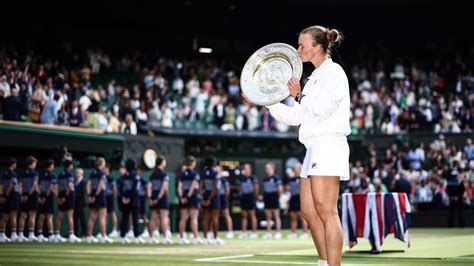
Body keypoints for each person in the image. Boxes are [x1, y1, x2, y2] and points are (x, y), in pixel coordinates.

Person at [263, 25, 350, 266]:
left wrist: (298, 95)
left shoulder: (334, 73)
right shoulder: (311, 79)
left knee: (327, 212)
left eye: (302, 45)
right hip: (313, 147)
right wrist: (267, 102)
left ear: (317, 47)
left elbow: (323, 109)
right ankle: (323, 262)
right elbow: (295, 118)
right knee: (309, 212)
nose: (298, 49)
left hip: (329, 144)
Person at [86, 157, 113, 243]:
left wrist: (90, 195)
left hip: (93, 197)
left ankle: (89, 236)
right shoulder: (102, 173)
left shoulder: (92, 173)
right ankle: (104, 237)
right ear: (102, 164)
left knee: (92, 217)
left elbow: (88, 185)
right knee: (102, 218)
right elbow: (101, 186)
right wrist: (95, 195)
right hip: (100, 197)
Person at [177, 156, 202, 244]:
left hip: (183, 197)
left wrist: (182, 197)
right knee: (194, 218)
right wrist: (188, 197)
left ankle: (181, 238)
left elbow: (179, 188)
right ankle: (195, 238)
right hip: (192, 197)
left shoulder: (182, 174)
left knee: (183, 218)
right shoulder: (195, 174)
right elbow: (193, 186)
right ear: (192, 163)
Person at [55, 159, 81, 242]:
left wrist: (59, 197)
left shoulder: (60, 175)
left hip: (62, 196)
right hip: (68, 197)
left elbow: (57, 187)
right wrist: (65, 197)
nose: (72, 166)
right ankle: (71, 235)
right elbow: (69, 186)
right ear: (69, 166)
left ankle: (57, 234)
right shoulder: (69, 174)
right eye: (72, 165)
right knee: (70, 216)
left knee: (59, 216)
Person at [118, 159, 144, 244]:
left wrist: (124, 197)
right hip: (134, 200)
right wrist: (129, 197)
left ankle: (122, 236)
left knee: (124, 218)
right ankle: (136, 237)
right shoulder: (136, 176)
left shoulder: (123, 176)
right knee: (135, 218)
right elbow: (135, 188)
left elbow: (121, 188)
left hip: (125, 200)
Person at [200, 156, 224, 245]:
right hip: (213, 198)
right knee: (215, 218)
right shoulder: (215, 173)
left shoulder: (202, 173)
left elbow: (200, 188)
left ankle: (205, 238)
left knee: (205, 218)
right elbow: (215, 187)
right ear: (213, 163)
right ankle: (215, 238)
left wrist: (203, 199)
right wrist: (210, 199)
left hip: (205, 197)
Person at [148, 155, 172, 244]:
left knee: (153, 218)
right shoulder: (164, 175)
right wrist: (158, 198)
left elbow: (149, 187)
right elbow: (164, 187)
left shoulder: (152, 174)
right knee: (164, 217)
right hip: (161, 198)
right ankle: (165, 238)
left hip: (154, 197)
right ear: (162, 162)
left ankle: (151, 238)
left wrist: (151, 198)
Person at [285, 163, 309, 240]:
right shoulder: (291, 179)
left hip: (300, 198)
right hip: (292, 198)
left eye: (297, 168)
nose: (295, 169)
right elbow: (288, 189)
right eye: (294, 168)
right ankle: (293, 233)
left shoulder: (303, 178)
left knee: (302, 217)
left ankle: (305, 233)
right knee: (293, 217)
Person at [18, 156, 39, 242]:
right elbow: (34, 185)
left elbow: (20, 186)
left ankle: (20, 235)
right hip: (32, 196)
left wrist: (22, 196)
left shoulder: (23, 173)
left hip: (24, 195)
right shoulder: (35, 173)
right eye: (35, 163)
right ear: (32, 163)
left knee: (23, 216)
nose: (35, 165)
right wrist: (28, 195)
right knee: (32, 215)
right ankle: (31, 235)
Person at [37, 159, 58, 242]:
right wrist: (45, 196)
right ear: (51, 165)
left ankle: (39, 234)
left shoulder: (41, 175)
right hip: (48, 198)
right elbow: (51, 187)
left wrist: (40, 197)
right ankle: (51, 235)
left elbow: (39, 187)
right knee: (49, 216)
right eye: (53, 165)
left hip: (41, 197)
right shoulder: (52, 176)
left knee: (41, 216)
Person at [236, 163, 259, 239]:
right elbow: (239, 188)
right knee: (244, 216)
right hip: (244, 198)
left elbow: (256, 188)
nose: (245, 169)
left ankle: (254, 233)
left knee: (252, 215)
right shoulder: (241, 178)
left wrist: (254, 196)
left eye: (247, 167)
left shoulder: (253, 177)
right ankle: (244, 232)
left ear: (250, 168)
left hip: (251, 197)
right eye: (244, 168)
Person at [261, 162, 283, 240]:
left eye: (268, 168)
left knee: (276, 216)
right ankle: (268, 233)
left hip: (274, 196)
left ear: (273, 168)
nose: (267, 169)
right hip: (267, 197)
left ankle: (278, 233)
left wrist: (279, 197)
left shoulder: (276, 178)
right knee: (268, 216)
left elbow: (280, 189)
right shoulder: (265, 178)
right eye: (266, 168)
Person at [0, 158, 20, 242]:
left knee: (5, 216)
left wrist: (1, 196)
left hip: (4, 197)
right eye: (15, 164)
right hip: (12, 196)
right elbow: (11, 185)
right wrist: (6, 196)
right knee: (13, 216)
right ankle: (14, 235)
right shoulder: (13, 174)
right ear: (13, 164)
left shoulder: (3, 174)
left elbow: (0, 186)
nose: (16, 165)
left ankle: (1, 235)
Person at [218, 167, 234, 239]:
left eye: (218, 169)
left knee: (226, 215)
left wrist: (225, 197)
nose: (216, 170)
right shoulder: (214, 179)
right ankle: (211, 232)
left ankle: (230, 232)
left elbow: (227, 189)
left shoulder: (224, 179)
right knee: (214, 215)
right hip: (216, 198)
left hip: (223, 198)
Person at [104, 164, 119, 238]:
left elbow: (114, 188)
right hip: (104, 197)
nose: (104, 169)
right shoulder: (102, 177)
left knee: (112, 213)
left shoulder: (110, 178)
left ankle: (115, 230)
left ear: (108, 169)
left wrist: (113, 196)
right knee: (105, 214)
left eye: (105, 168)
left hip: (110, 197)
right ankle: (104, 231)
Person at [73, 168, 87, 238]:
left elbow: (82, 192)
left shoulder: (84, 182)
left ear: (81, 173)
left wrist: (75, 196)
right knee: (75, 219)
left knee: (82, 219)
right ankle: (76, 233)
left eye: (78, 173)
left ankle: (83, 232)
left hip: (81, 203)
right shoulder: (74, 181)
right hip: (75, 203)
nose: (77, 174)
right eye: (76, 172)